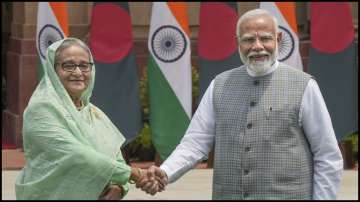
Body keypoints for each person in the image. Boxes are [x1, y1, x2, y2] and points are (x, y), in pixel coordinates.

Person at [138, 9, 344, 200]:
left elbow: (327, 155)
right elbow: (195, 142)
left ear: (278, 39)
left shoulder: (304, 86)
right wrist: (165, 172)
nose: (257, 46)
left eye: (265, 38)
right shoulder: (219, 85)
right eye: (248, 40)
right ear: (237, 42)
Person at [14, 38, 162, 200]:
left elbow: (115, 157)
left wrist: (119, 186)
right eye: (68, 65)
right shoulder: (41, 108)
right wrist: (136, 174)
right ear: (53, 70)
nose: (78, 73)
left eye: (84, 65)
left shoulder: (92, 112)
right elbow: (75, 155)